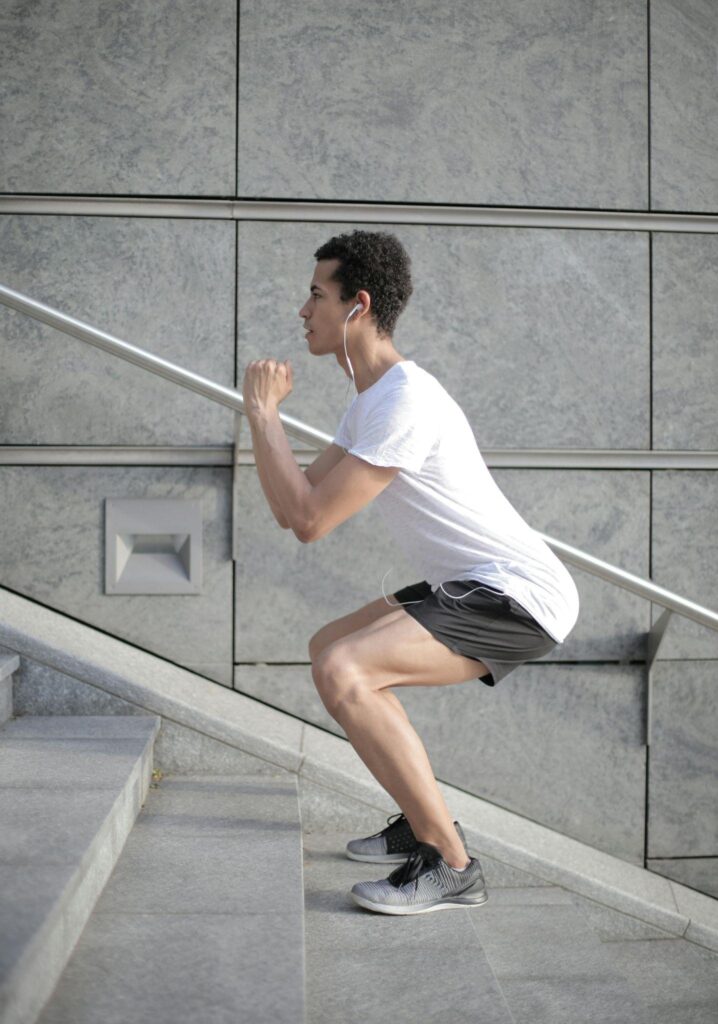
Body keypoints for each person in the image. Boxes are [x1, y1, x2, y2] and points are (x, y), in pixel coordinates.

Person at [242, 229, 580, 916]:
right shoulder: (369, 401)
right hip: (473, 581)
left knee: (346, 668)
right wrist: (264, 422)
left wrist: (262, 410)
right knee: (327, 648)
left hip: (518, 594)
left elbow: (309, 519)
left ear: (357, 305)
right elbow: (293, 506)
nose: (303, 311)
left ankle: (451, 863)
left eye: (316, 295)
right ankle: (418, 818)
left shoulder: (403, 400)